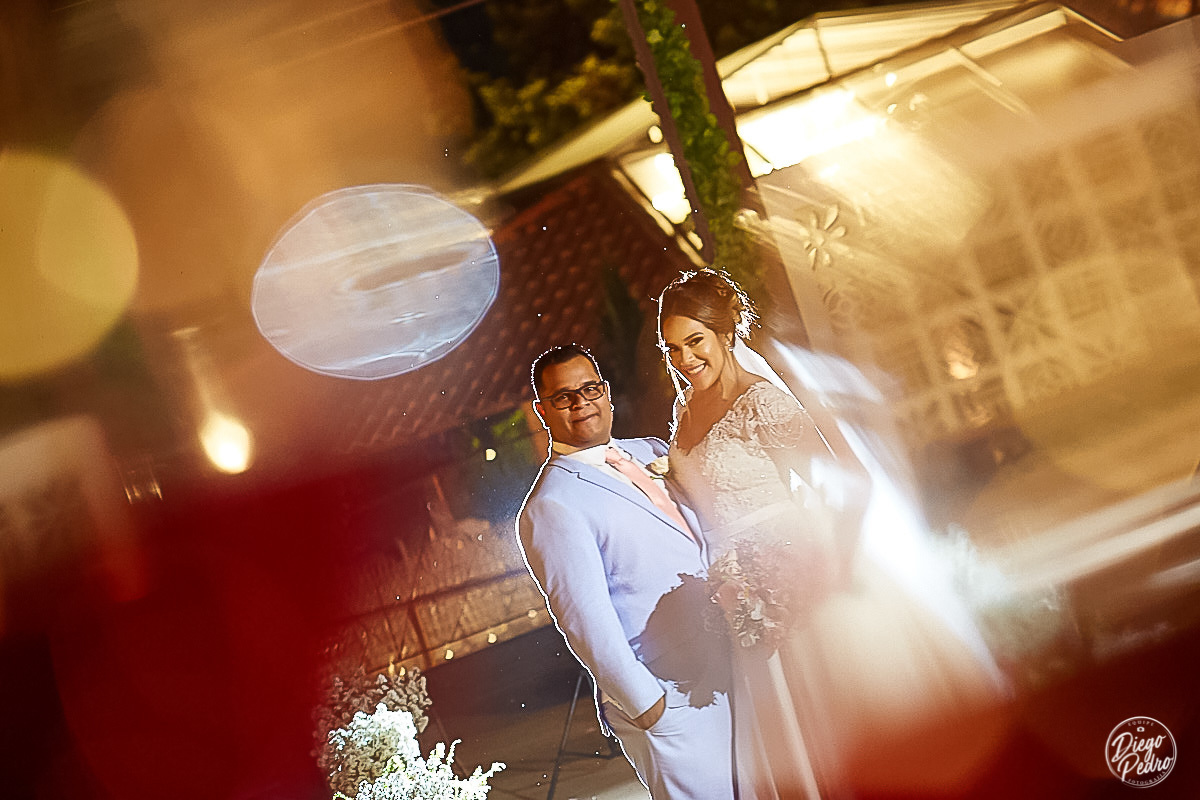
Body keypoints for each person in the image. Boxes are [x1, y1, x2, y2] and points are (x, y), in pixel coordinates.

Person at [657, 270, 1008, 799]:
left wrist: (829, 562)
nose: (685, 359)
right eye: (673, 348)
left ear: (725, 333)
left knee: (846, 728)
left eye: (695, 341)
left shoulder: (762, 402)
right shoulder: (683, 410)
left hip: (793, 584)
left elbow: (854, 480)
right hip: (737, 597)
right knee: (792, 738)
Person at [516, 344, 737, 800]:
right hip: (670, 693)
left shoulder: (651, 450)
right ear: (542, 410)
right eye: (563, 397)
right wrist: (648, 706)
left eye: (590, 389)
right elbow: (584, 620)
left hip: (732, 663)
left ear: (606, 392)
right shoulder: (551, 505)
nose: (581, 403)